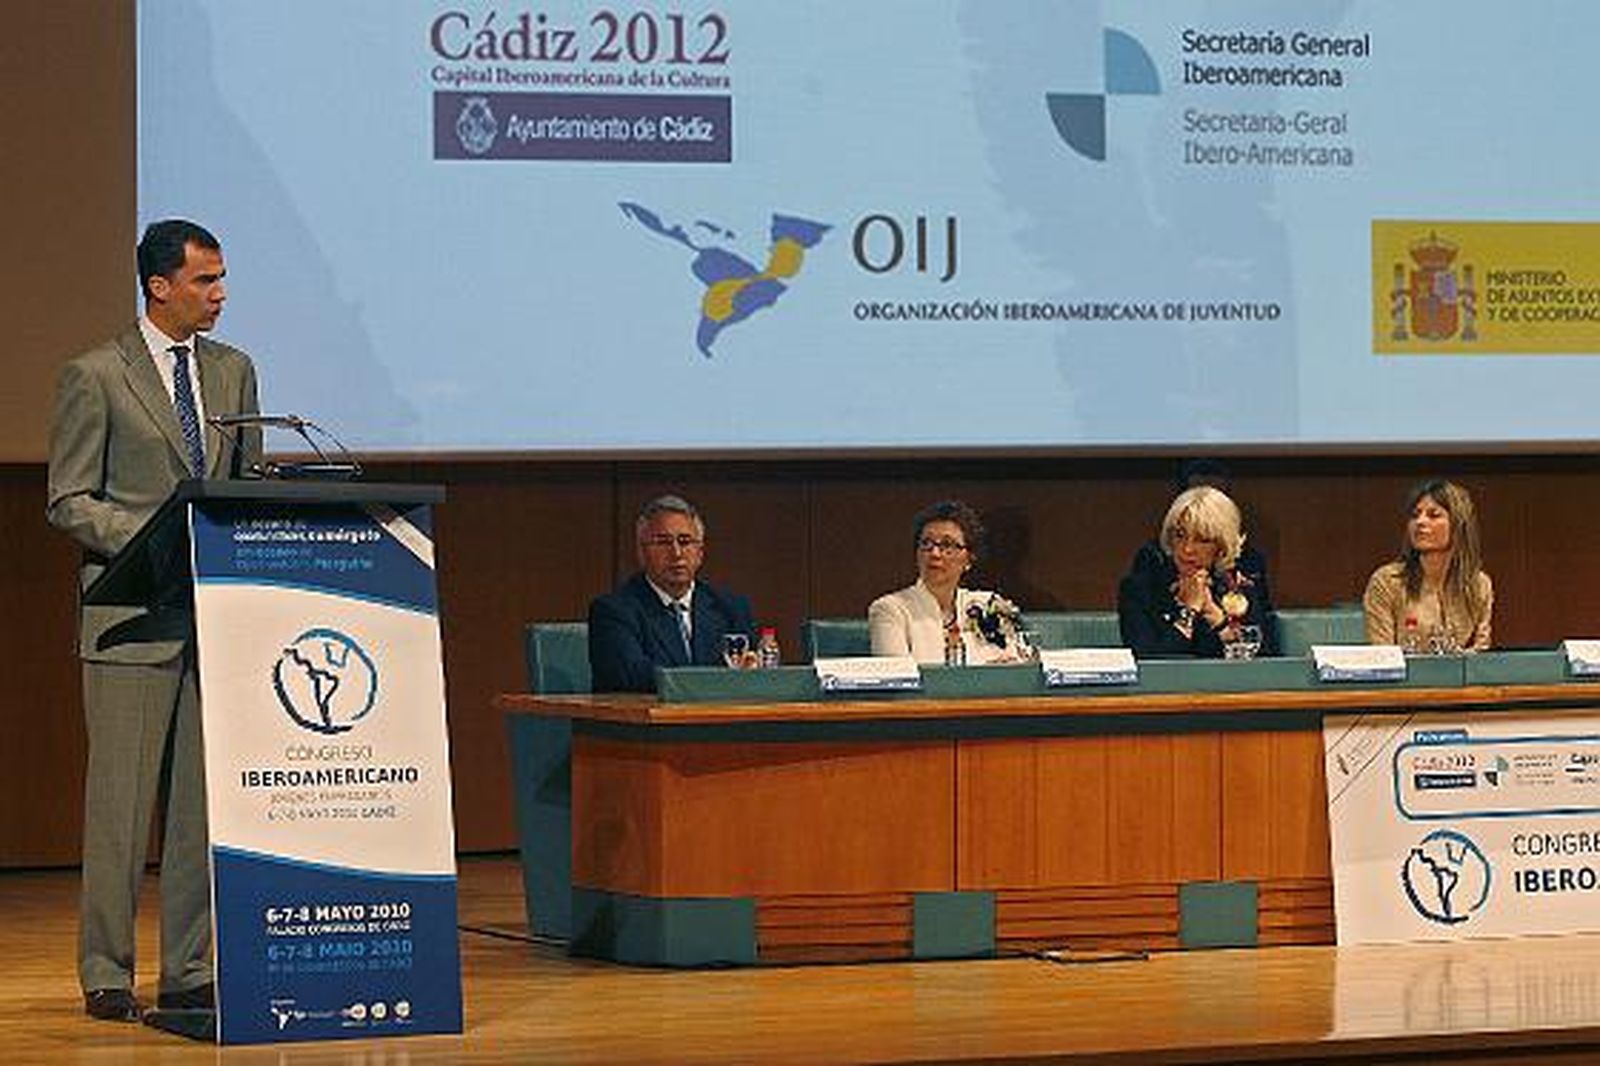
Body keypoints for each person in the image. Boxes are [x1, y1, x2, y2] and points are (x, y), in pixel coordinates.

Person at [47, 219, 262, 1021]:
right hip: (131, 618)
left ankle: (191, 969)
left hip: (215, 621)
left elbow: (242, 482)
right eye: (205, 281)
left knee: (200, 813)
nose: (220, 295)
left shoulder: (235, 372)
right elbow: (69, 498)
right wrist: (154, 543)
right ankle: (106, 970)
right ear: (159, 286)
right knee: (119, 808)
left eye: (222, 278)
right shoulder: (95, 374)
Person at [588, 495, 756, 692]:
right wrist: (718, 682)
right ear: (641, 552)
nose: (676, 553)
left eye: (685, 542)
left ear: (700, 553)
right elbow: (634, 677)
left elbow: (751, 673)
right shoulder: (614, 611)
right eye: (663, 542)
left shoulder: (730, 608)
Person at [1117, 485, 1276, 658]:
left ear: (1221, 546)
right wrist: (1189, 611)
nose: (1187, 549)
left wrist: (1213, 614)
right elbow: (1149, 665)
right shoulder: (1140, 589)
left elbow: (1261, 660)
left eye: (1202, 540)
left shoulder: (1239, 588)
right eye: (1180, 534)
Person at [869, 500, 1026, 664]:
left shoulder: (988, 604)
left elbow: (1013, 664)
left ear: (969, 559)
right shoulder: (890, 610)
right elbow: (897, 678)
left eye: (947, 544)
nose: (935, 553)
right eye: (926, 543)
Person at [1363, 480, 1493, 652]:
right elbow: (1382, 657)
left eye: (1433, 515)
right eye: (1415, 515)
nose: (1420, 522)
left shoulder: (1479, 584)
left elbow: (1481, 653)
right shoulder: (1387, 582)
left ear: (1458, 525)